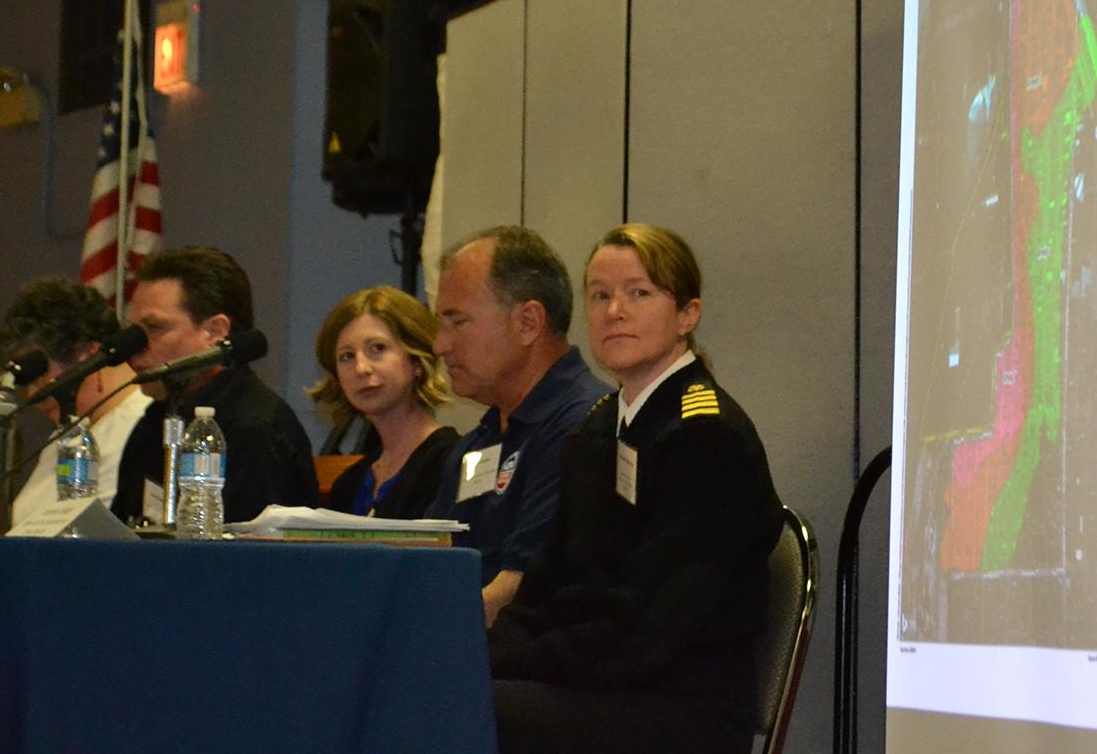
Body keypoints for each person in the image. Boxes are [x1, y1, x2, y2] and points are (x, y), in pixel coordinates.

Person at [488, 223, 781, 754]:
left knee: (462, 708)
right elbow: (548, 582)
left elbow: (646, 631)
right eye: (600, 295)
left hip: (680, 707)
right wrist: (486, 653)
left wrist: (509, 665)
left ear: (687, 315)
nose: (614, 310)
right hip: (601, 681)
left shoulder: (706, 436)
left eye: (638, 292)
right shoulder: (600, 428)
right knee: (439, 689)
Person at [426, 226, 608, 626]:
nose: (440, 344)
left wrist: (414, 629)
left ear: (528, 322)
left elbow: (521, 591)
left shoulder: (584, 427)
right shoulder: (480, 441)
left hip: (530, 668)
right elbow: (432, 558)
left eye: (457, 322)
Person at [112, 246, 318, 526]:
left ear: (215, 332)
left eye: (154, 328)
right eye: (134, 330)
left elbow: (249, 560)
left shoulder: (252, 428)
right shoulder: (153, 422)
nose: (134, 347)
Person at [0, 277, 151, 526]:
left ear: (88, 356)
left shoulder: (145, 425)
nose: (33, 395)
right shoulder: (71, 429)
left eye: (39, 376)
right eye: (26, 383)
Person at [313, 286, 458, 518]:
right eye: (347, 356)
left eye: (377, 348)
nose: (361, 368)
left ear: (417, 361)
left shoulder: (452, 463)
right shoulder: (349, 484)